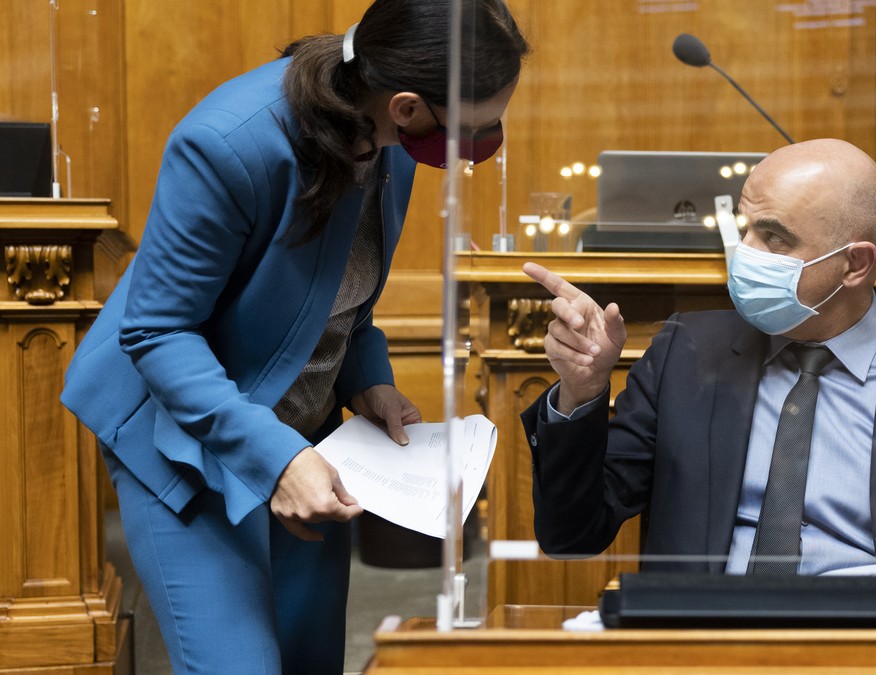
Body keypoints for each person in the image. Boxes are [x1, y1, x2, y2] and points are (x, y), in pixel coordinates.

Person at [59, 1, 527, 672]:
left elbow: (339, 295)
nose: (483, 145)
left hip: (306, 431)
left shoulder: (391, 145)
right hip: (180, 431)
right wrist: (276, 458)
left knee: (310, 660)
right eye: (476, 129)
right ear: (406, 107)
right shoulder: (228, 143)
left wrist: (369, 380)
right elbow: (158, 331)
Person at [520, 139, 876, 576]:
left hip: (869, 638)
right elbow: (572, 535)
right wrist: (582, 391)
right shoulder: (686, 353)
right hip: (704, 636)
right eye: (746, 229)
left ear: (856, 263)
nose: (745, 252)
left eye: (774, 237)